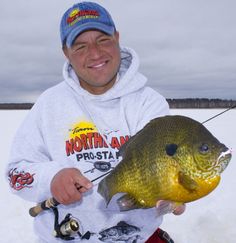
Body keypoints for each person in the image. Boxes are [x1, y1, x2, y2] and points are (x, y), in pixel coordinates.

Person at [6, 2, 185, 242]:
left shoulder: (148, 103)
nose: (95, 53)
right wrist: (52, 177)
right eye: (80, 46)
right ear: (66, 53)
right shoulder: (49, 104)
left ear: (117, 38)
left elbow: (171, 162)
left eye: (102, 40)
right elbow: (15, 174)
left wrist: (174, 191)